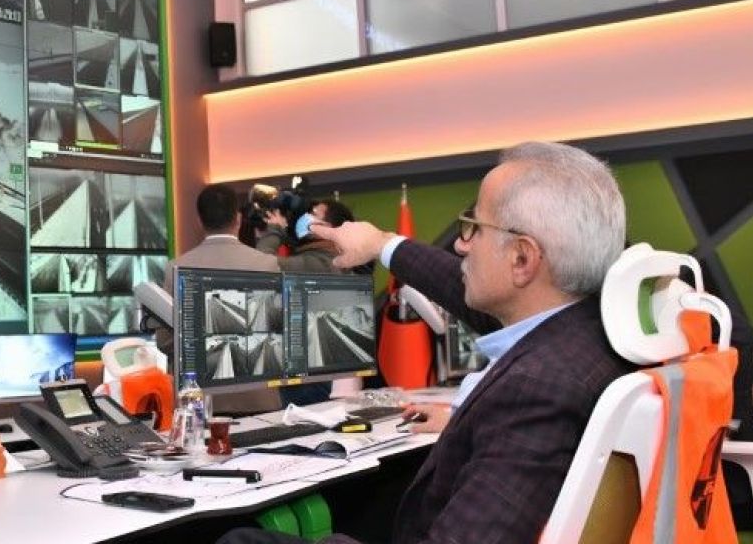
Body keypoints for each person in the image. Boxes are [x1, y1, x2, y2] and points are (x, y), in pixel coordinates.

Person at [216, 141, 633, 544]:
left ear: (522, 258)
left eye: (474, 228)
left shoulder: (536, 388)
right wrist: (381, 244)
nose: (460, 244)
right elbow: (462, 286)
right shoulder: (592, 331)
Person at [158, 184, 280, 413]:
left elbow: (165, 341)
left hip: (199, 405)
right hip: (257, 399)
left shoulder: (176, 268)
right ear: (238, 218)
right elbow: (278, 333)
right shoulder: (267, 264)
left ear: (199, 221)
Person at [255, 198, 354, 274]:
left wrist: (275, 227)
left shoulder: (322, 263)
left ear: (328, 229)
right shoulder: (327, 256)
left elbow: (261, 264)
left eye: (313, 214)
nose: (305, 217)